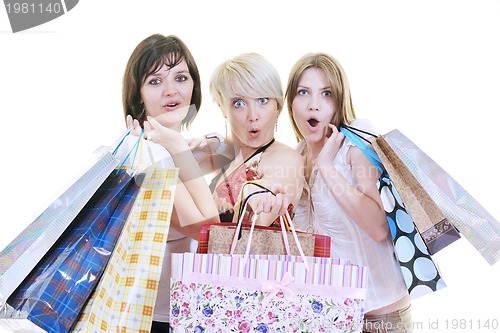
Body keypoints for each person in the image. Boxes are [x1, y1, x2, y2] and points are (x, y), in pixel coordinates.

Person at [285, 52, 412, 332]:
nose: (313, 105)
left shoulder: (357, 141)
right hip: (329, 316)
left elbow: (378, 227)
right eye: (303, 92)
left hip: (381, 319)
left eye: (326, 94)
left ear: (339, 100)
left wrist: (327, 167)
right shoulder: (294, 157)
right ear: (290, 101)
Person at [120, 33, 219, 333]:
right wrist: (177, 147)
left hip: (179, 312)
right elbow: (208, 233)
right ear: (138, 94)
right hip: (153, 319)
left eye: (181, 77)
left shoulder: (171, 148)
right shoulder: (150, 154)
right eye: (155, 81)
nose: (170, 90)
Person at [207, 52, 305, 226]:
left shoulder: (285, 159)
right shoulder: (226, 157)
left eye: (263, 100)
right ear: (223, 109)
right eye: (239, 103)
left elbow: (254, 229)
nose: (253, 116)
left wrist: (248, 195)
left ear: (278, 105)